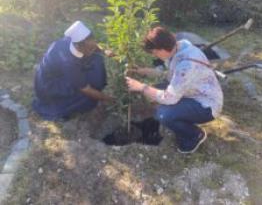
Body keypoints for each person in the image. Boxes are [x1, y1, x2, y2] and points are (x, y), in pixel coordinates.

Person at [126, 26, 223, 154]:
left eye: (155, 52)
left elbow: (169, 98)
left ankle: (194, 135)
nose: (154, 56)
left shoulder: (186, 64)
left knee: (163, 114)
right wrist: (144, 71)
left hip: (206, 105)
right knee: (156, 92)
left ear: (162, 49)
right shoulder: (178, 48)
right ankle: (181, 120)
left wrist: (141, 87)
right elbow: (169, 74)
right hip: (192, 93)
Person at [33, 20, 113, 121]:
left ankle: (96, 84)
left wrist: (104, 51)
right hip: (49, 86)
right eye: (89, 49)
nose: (92, 50)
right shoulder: (69, 63)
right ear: (78, 46)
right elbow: (86, 89)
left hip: (62, 72)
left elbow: (94, 45)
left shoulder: (73, 40)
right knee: (88, 99)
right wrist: (109, 99)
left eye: (92, 47)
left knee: (97, 58)